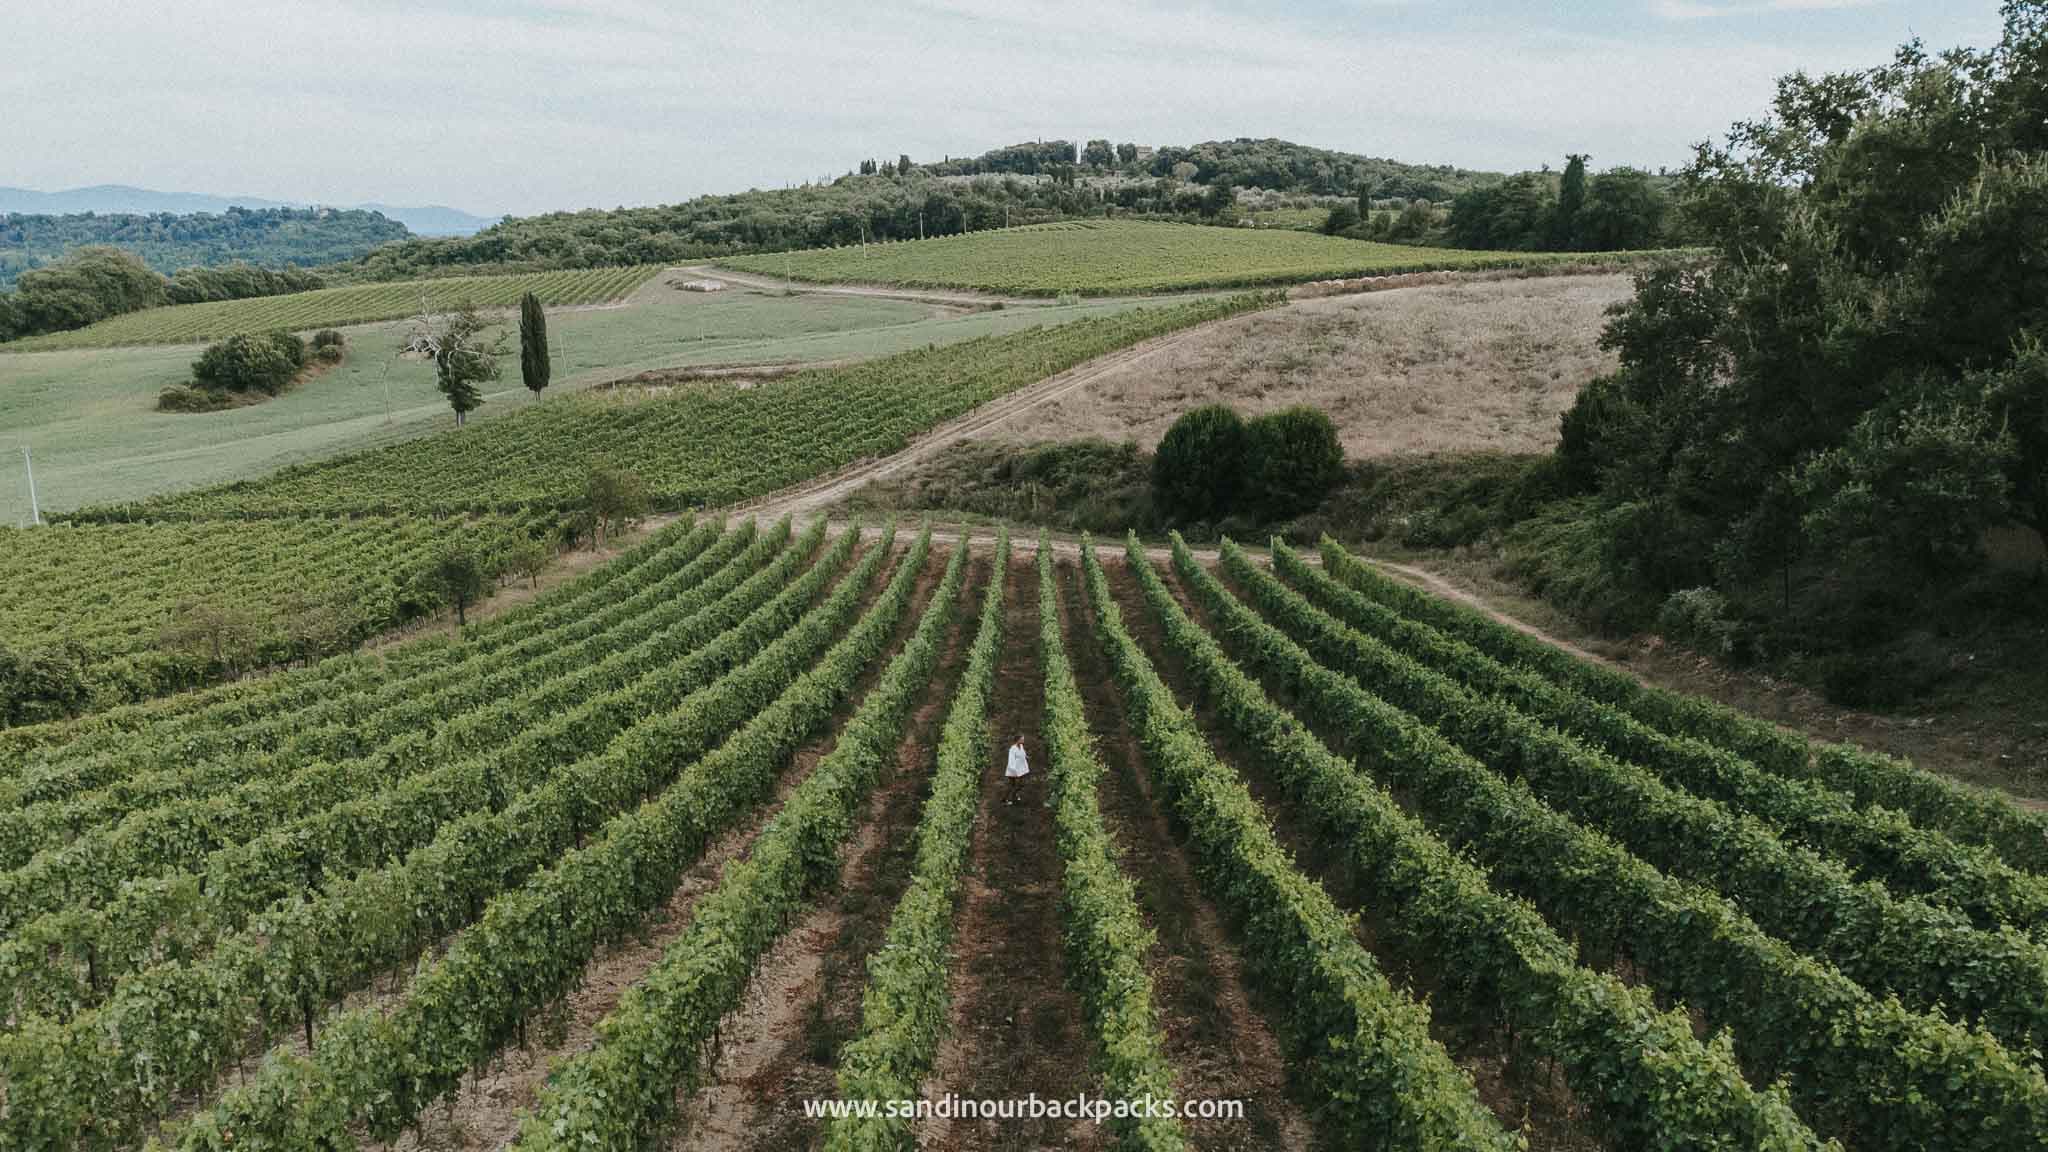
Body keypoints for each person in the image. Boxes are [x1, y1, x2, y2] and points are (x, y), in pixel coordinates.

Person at [1004, 734, 1029, 803]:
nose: (1023, 740)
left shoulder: (1021, 746)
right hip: (1013, 770)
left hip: (1020, 769)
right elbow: (1011, 760)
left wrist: (1026, 756)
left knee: (1022, 783)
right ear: (1018, 740)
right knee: (1012, 785)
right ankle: (1007, 799)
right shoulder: (1012, 749)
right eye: (1022, 739)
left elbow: (1023, 753)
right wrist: (1014, 769)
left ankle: (1014, 795)